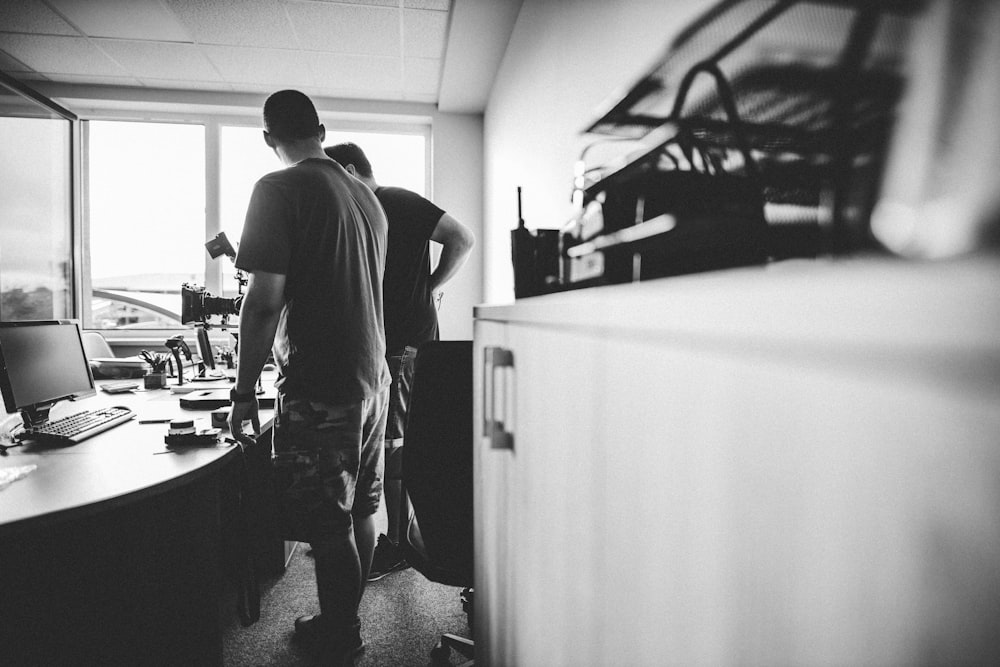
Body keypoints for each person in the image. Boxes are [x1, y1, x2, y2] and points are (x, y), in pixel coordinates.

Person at [229, 91, 390, 666]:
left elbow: (263, 301)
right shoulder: (367, 199)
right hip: (374, 378)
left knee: (327, 523)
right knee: (362, 509)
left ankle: (341, 635)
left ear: (269, 138)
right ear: (321, 130)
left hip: (323, 385)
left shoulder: (277, 189)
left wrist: (244, 390)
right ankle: (342, 617)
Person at [324, 142, 475, 580]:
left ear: (351, 170)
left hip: (403, 343)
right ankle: (379, 539)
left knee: (395, 445)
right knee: (386, 443)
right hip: (386, 341)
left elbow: (462, 238)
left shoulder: (393, 199)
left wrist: (429, 284)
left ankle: (396, 545)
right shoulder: (365, 213)